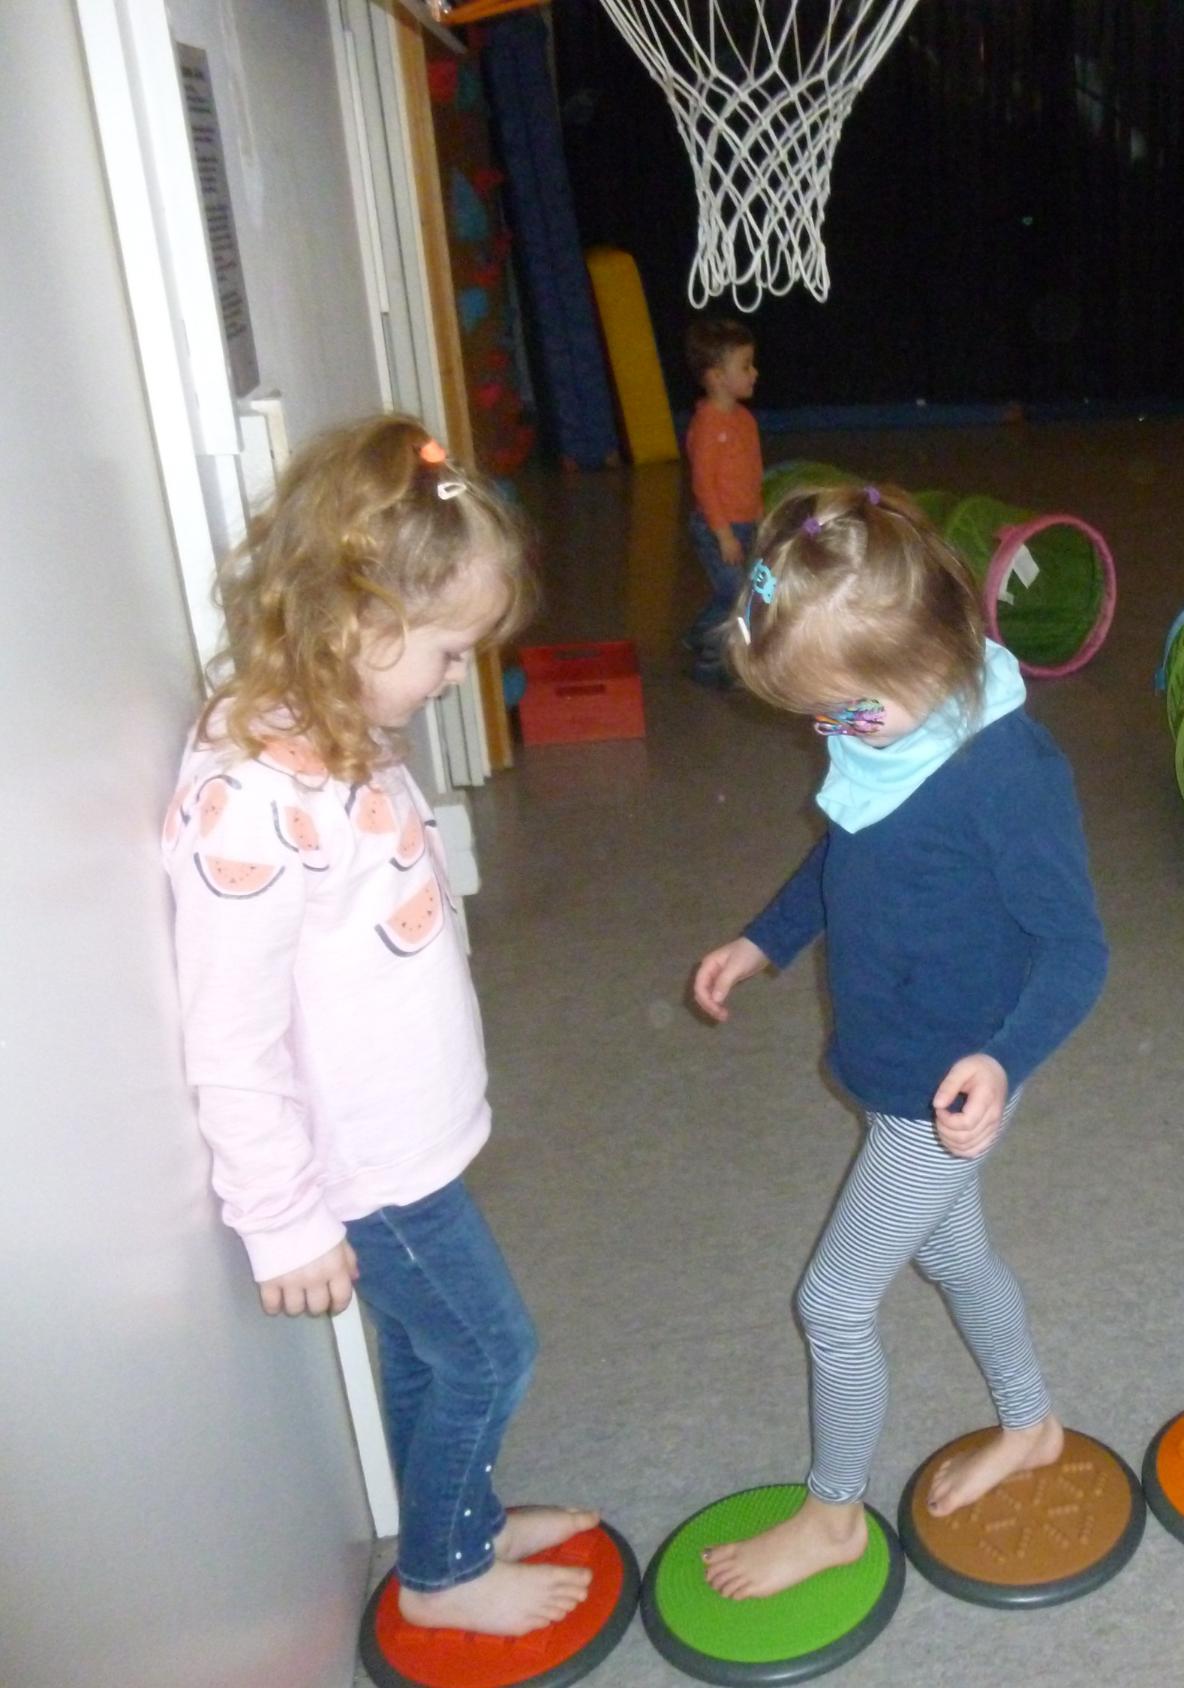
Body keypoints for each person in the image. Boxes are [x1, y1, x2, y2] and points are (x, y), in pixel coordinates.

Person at [163, 418, 599, 1637]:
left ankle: (452, 1515)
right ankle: (446, 1574)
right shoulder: (248, 801)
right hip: (364, 1169)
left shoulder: (341, 730)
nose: (461, 675)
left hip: (406, 1131)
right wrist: (282, 1216)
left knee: (424, 1355)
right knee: (490, 1350)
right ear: (357, 624)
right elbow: (230, 1038)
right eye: (452, 651)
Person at [689, 484, 1107, 1597]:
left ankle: (831, 1517)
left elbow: (1079, 951)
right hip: (891, 1058)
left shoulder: (1006, 775)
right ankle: (1033, 1422)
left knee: (832, 1301)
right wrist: (763, 939)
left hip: (950, 1080)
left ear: (944, 653)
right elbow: (847, 855)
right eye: (813, 718)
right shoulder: (885, 740)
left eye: (846, 713)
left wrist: (1000, 1062)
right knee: (954, 1252)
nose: (831, 738)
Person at [682, 315, 764, 687]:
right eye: (745, 366)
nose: (754, 373)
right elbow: (704, 486)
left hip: (746, 523)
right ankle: (710, 665)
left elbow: (751, 472)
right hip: (717, 527)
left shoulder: (744, 419)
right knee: (735, 595)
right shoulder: (708, 425)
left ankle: (699, 634)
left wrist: (759, 517)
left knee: (741, 591)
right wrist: (724, 535)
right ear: (716, 377)